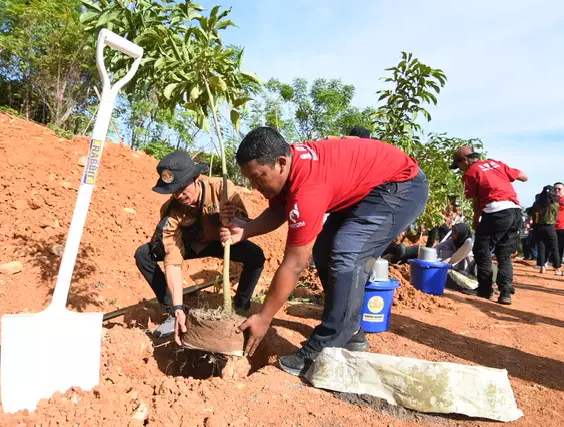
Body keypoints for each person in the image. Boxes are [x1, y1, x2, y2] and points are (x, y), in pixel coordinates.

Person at [220, 127, 429, 376]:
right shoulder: (288, 166)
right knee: (324, 249)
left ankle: (325, 347)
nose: (255, 187)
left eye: (259, 177)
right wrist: (246, 230)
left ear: (281, 163)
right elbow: (279, 210)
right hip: (367, 187)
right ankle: (351, 331)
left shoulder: (308, 188)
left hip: (400, 187)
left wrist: (264, 317)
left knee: (346, 254)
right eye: (250, 180)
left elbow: (294, 264)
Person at [134, 151, 265, 342]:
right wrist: (177, 307)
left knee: (256, 255)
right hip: (188, 246)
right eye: (174, 190)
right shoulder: (170, 210)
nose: (179, 195)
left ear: (195, 178)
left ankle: (240, 307)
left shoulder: (222, 189)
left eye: (182, 188)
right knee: (143, 254)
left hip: (220, 242)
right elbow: (172, 259)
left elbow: (244, 223)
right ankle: (174, 312)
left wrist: (232, 223)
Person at [450, 146, 528, 305]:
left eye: (458, 165)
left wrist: (476, 221)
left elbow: (477, 202)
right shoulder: (496, 164)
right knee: (504, 254)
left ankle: (485, 290)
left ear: (464, 160)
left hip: (496, 211)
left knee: (481, 250)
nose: (459, 169)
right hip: (515, 211)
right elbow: (524, 177)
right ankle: (505, 292)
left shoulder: (470, 173)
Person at [531, 185, 562, 275]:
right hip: (550, 227)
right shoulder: (555, 204)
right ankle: (557, 269)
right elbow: (556, 216)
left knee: (541, 247)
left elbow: (534, 214)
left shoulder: (537, 204)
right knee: (554, 248)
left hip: (539, 227)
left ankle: (542, 268)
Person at [554, 182, 564, 263]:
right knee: (557, 248)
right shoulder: (550, 200)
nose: (557, 190)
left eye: (559, 189)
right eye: (555, 189)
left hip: (563, 227)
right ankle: (558, 265)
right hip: (554, 228)